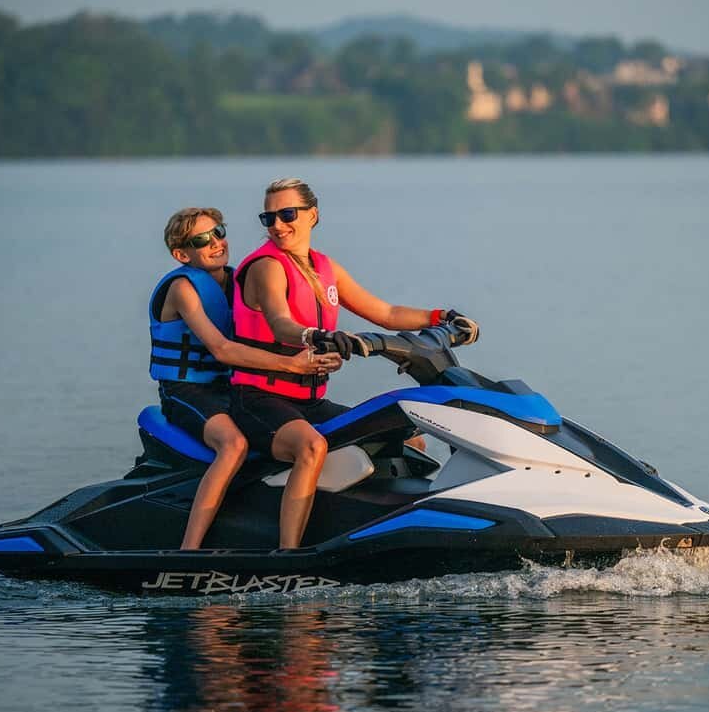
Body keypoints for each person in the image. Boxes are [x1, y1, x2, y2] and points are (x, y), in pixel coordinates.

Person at [230, 178, 476, 549]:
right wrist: (315, 335)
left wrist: (442, 317)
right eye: (269, 218)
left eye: (287, 214)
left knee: (407, 437)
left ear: (312, 215)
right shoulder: (268, 267)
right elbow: (280, 323)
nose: (277, 225)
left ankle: (388, 531)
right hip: (258, 400)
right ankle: (288, 553)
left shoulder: (324, 268)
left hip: (309, 402)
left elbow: (386, 313)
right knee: (310, 447)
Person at [150, 207, 341, 550]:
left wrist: (320, 354)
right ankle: (189, 550)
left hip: (233, 387)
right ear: (182, 254)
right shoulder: (183, 289)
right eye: (202, 240)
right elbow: (222, 349)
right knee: (233, 444)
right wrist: (292, 366)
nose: (216, 243)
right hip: (187, 390)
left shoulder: (239, 280)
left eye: (219, 232)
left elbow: (273, 331)